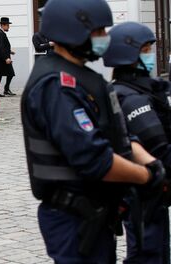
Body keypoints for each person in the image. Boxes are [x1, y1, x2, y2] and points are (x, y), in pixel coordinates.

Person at [21, 0, 166, 262]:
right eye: (99, 32)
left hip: (94, 211)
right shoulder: (56, 85)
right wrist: (145, 176)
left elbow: (119, 137)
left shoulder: (83, 78)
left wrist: (152, 164)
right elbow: (94, 159)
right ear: (72, 31)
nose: (105, 38)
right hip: (72, 216)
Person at [103, 21, 171, 264]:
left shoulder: (134, 90)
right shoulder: (131, 98)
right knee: (147, 255)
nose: (151, 54)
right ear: (128, 54)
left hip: (150, 192)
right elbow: (159, 148)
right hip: (143, 193)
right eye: (146, 50)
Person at [0, 17, 16, 97]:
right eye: (8, 25)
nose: (9, 27)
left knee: (9, 73)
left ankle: (5, 90)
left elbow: (3, 47)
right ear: (3, 25)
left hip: (1, 57)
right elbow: (1, 47)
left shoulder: (1, 33)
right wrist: (6, 58)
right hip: (0, 58)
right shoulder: (0, 34)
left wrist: (10, 52)